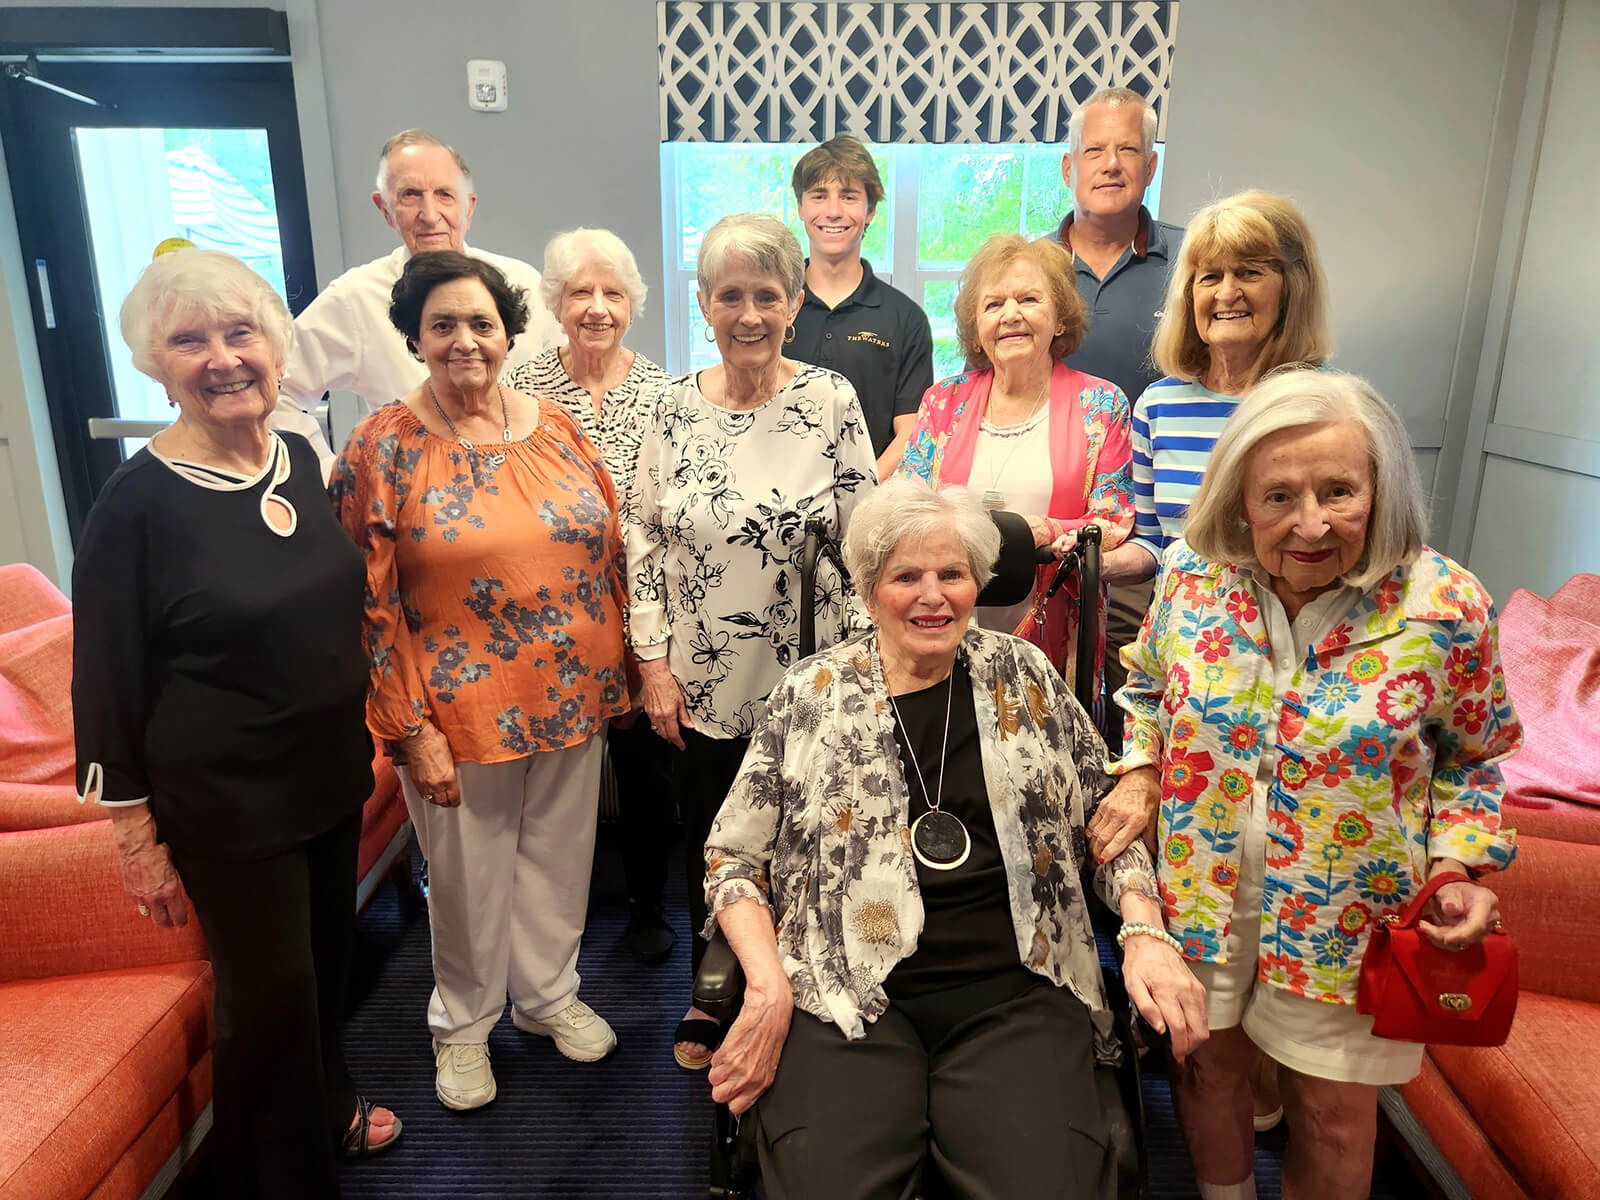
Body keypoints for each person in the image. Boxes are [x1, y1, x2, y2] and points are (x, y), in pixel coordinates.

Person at [701, 478, 1207, 1199]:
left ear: (979, 584)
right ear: (871, 588)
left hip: (1018, 990)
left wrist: (1145, 929)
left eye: (953, 574)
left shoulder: (1025, 674)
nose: (931, 595)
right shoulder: (809, 694)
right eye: (906, 575)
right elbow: (733, 857)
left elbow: (1108, 817)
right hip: (844, 988)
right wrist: (767, 985)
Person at [1100, 369, 1520, 1200]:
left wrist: (1457, 869)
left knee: (1331, 1112)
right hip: (1201, 890)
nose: (1311, 523)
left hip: (1348, 911)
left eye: (1339, 491)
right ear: (1238, 498)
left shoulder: (1444, 605)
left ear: (1381, 487)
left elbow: (1473, 758)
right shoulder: (1191, 581)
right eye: (1279, 496)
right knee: (1205, 1071)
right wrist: (1141, 770)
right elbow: (1144, 689)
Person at [72, 248, 399, 1198]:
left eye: (239, 332)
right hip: (225, 804)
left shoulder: (298, 460)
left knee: (324, 973)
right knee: (269, 1003)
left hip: (329, 776)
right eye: (189, 341)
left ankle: (330, 1106)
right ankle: (286, 1179)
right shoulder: (134, 506)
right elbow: (107, 679)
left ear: (275, 345)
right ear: (155, 363)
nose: (220, 358)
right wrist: (136, 836)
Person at [333, 250, 626, 1112]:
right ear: (415, 339)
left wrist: (623, 675)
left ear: (509, 333)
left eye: (482, 324)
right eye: (443, 326)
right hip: (456, 714)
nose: (466, 341)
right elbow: (364, 598)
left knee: (559, 864)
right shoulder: (383, 442)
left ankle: (546, 997)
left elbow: (605, 544)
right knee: (467, 881)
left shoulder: (556, 425)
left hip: (572, 699)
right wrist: (404, 726)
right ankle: (461, 1027)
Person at [625, 212, 877, 1070]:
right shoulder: (671, 408)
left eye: (767, 294)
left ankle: (801, 971)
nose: (749, 313)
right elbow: (645, 540)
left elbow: (865, 538)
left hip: (812, 667)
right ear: (702, 304)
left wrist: (871, 664)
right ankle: (722, 957)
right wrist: (653, 662)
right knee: (714, 823)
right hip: (701, 671)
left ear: (795, 302)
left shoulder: (831, 399)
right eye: (729, 294)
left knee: (810, 823)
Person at [504, 227, 676, 965]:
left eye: (612, 293)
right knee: (556, 778)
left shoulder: (666, 391)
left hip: (642, 612)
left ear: (633, 303)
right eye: (581, 292)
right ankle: (551, 924)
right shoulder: (524, 392)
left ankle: (646, 904)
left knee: (643, 769)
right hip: (552, 617)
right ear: (557, 303)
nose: (597, 308)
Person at [896, 234, 1133, 688]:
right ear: (976, 327)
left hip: (1054, 630)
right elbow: (906, 507)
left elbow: (1114, 517)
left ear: (1060, 316)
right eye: (993, 304)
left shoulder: (1101, 404)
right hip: (943, 624)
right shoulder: (942, 402)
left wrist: (1037, 532)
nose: (1011, 315)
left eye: (1029, 299)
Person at [273, 128, 562, 475]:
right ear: (385, 208)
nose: (429, 213)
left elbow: (564, 386)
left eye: (444, 195)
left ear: (468, 207)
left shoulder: (522, 283)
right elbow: (276, 393)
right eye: (410, 195)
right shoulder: (356, 299)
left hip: (526, 490)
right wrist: (329, 473)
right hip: (414, 504)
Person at [1054, 86, 1186, 750]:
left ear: (1151, 166)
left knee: (1138, 713)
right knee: (1044, 704)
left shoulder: (1193, 266)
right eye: (1095, 149)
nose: (1111, 164)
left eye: (1128, 149)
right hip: (1048, 529)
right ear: (1068, 166)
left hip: (1149, 536)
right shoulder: (1034, 269)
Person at [787, 135, 934, 478]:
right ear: (801, 208)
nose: (833, 211)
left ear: (870, 211)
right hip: (778, 504)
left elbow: (911, 433)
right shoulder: (774, 309)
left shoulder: (905, 318)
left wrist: (861, 494)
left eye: (849, 196)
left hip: (872, 507)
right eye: (819, 196)